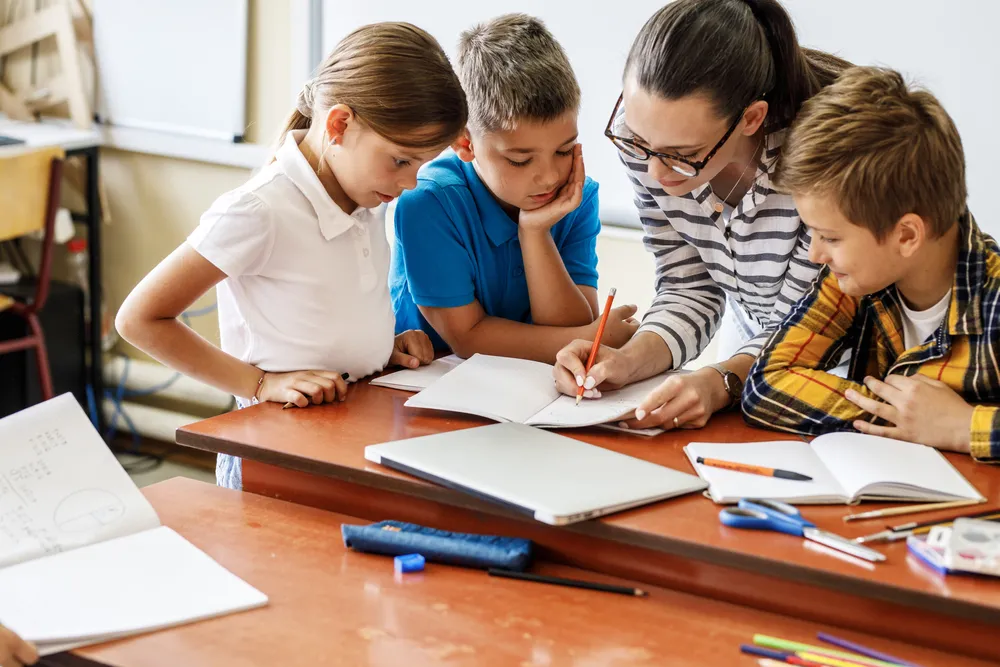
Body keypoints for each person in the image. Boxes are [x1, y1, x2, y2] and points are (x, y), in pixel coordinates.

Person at [116, 23, 468, 489]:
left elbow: (321, 308)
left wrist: (382, 346)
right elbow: (139, 319)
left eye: (422, 165)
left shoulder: (364, 193)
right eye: (402, 161)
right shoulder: (260, 209)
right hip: (274, 444)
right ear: (339, 124)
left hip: (350, 427)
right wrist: (260, 384)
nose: (409, 183)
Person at [553, 0, 850, 414]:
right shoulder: (647, 140)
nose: (655, 171)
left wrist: (721, 380)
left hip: (851, 355)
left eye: (682, 153)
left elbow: (809, 327)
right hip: (754, 343)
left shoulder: (820, 161)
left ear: (751, 119)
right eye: (640, 143)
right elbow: (689, 284)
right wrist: (630, 360)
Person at [742, 66, 998, 461]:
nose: (815, 254)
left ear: (907, 236)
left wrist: (963, 427)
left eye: (830, 237)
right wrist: (899, 417)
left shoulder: (993, 297)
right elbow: (766, 384)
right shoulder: (856, 279)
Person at [389, 14, 639, 364]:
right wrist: (587, 337)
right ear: (464, 143)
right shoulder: (429, 203)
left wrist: (535, 232)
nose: (550, 177)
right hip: (418, 386)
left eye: (565, 150)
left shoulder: (575, 198)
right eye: (521, 160)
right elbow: (467, 337)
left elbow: (570, 325)